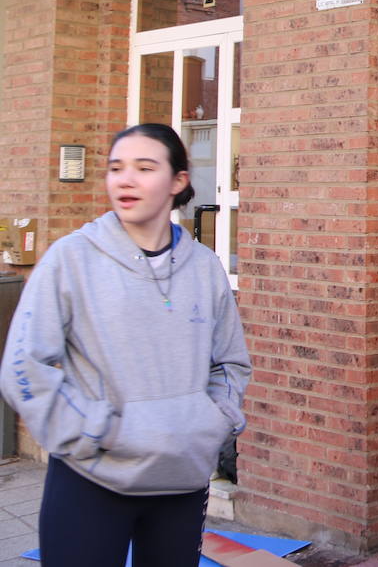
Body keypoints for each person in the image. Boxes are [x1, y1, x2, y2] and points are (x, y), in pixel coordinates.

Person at [1, 123, 251, 567]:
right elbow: (24, 366)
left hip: (181, 481)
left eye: (144, 167)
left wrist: (210, 423)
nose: (125, 179)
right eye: (116, 168)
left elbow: (230, 363)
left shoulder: (205, 267)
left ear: (178, 181)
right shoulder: (72, 258)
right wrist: (95, 430)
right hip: (91, 478)